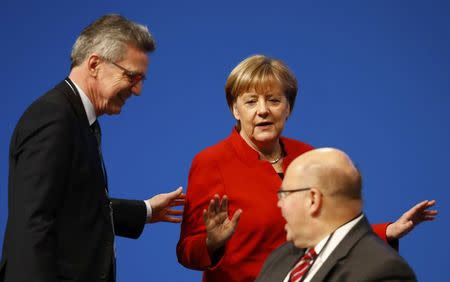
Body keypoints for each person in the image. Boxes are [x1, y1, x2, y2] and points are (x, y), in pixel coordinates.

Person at [176, 55, 437, 282]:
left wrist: (387, 231)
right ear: (235, 108)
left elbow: (332, 226)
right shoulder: (211, 162)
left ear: (288, 108)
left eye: (274, 100)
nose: (263, 110)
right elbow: (187, 251)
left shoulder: (307, 155)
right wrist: (212, 243)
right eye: (251, 101)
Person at [0, 15, 185, 282]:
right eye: (132, 76)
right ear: (95, 64)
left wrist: (145, 210)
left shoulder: (75, 118)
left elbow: (74, 206)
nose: (138, 90)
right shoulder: (54, 118)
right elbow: (32, 223)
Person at [256, 148, 418, 282]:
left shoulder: (384, 272)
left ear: (313, 200)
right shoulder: (280, 256)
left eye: (285, 195)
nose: (279, 204)